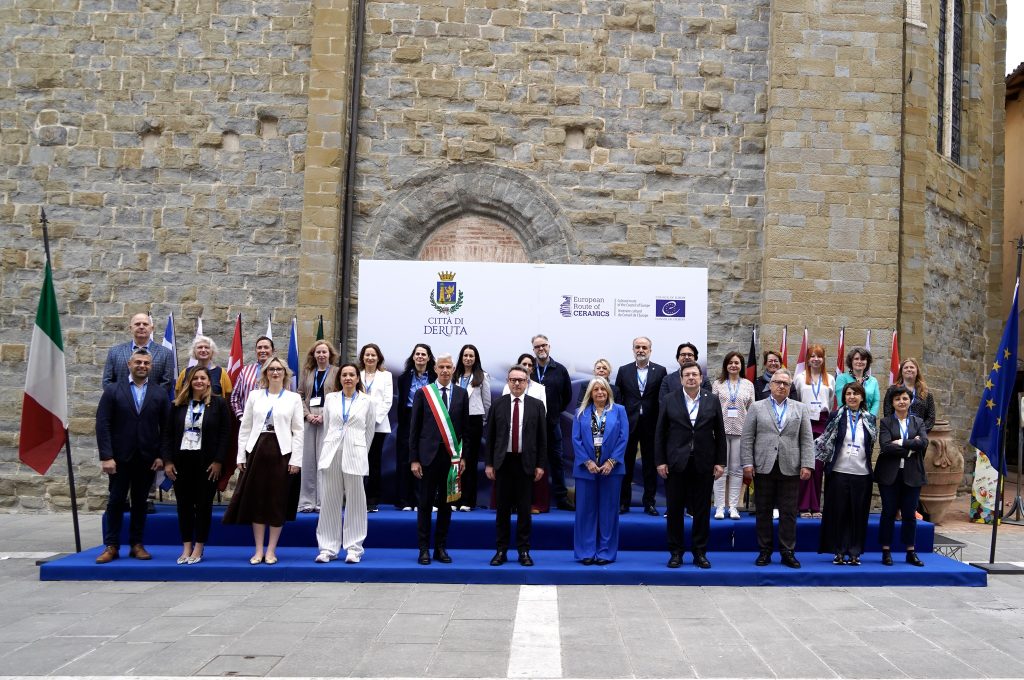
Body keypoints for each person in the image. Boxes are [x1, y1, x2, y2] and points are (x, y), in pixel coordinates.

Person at [223, 356, 303, 565]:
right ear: (265, 374)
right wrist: (241, 455)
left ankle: (271, 550)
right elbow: (246, 427)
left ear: (285, 374)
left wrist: (296, 460)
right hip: (257, 450)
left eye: (279, 370)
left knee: (276, 501)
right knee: (257, 501)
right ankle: (258, 550)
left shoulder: (293, 398)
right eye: (271, 369)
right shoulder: (255, 396)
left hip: (282, 452)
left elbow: (298, 431)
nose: (275, 373)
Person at [95, 349, 171, 563]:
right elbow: (103, 424)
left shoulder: (158, 393)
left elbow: (166, 428)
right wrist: (106, 456)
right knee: (116, 501)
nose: (142, 366)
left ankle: (136, 544)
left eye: (146, 363)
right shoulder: (113, 390)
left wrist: (161, 456)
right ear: (129, 364)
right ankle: (111, 546)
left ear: (151, 367)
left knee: (140, 502)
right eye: (138, 362)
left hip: (147, 459)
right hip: (119, 459)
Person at [740, 368, 814, 568]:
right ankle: (764, 551)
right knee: (762, 511)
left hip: (790, 466)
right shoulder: (756, 407)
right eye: (778, 382)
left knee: (789, 512)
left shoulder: (800, 408)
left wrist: (807, 464)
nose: (782, 386)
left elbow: (807, 439)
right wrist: (747, 463)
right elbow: (747, 438)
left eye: (786, 383)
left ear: (790, 387)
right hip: (763, 465)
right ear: (770, 385)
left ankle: (787, 551)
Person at [656, 362, 726, 569]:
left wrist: (720, 462)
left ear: (701, 378)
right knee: (675, 509)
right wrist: (660, 461)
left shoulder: (712, 400)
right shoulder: (670, 400)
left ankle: (700, 553)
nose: (691, 378)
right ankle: (676, 552)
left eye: (695, 374)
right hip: (677, 462)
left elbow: (720, 434)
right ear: (681, 379)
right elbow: (660, 433)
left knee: (702, 511)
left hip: (703, 462)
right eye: (687, 375)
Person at [163, 365, 230, 564]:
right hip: (181, 462)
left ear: (209, 381)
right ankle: (186, 546)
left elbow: (225, 435)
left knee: (203, 506)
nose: (199, 381)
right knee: (183, 506)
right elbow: (167, 435)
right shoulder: (177, 405)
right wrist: (167, 461)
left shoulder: (218, 404)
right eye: (195, 379)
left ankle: (199, 546)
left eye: (202, 378)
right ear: (189, 382)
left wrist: (218, 461)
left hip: (207, 464)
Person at [485, 365, 547, 566]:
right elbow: (491, 437)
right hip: (503, 463)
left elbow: (542, 439)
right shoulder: (498, 404)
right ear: (508, 381)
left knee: (524, 511)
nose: (517, 383)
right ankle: (501, 551)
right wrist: (489, 464)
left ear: (527, 382)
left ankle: (524, 551)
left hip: (526, 464)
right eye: (513, 380)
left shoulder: (537, 405)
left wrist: (540, 465)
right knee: (502, 511)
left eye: (521, 380)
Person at [410, 352, 468, 565]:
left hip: (452, 459)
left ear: (454, 370)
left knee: (446, 505)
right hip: (427, 458)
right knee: (425, 505)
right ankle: (423, 549)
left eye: (448, 367)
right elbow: (414, 429)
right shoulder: (424, 393)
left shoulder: (462, 394)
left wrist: (463, 457)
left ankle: (440, 548)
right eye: (441, 367)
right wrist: (414, 459)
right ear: (435, 369)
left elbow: (465, 429)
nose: (445, 370)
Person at [315, 363, 376, 563]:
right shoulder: (331, 399)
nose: (348, 378)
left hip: (355, 454)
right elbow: (327, 428)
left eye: (352, 375)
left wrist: (360, 451)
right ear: (339, 378)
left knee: (357, 501)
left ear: (358, 379)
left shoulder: (367, 401)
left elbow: (369, 432)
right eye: (344, 375)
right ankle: (328, 548)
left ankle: (354, 548)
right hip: (332, 453)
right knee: (329, 500)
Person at [815, 382, 876, 566]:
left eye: (856, 394)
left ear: (862, 397)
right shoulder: (836, 416)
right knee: (838, 514)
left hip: (862, 473)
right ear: (844, 397)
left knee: (858, 515)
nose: (852, 397)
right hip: (839, 471)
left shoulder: (870, 419)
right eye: (848, 393)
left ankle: (855, 552)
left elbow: (871, 445)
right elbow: (826, 441)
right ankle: (839, 551)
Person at [572, 377, 627, 565]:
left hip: (612, 470)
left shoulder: (619, 411)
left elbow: (623, 438)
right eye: (595, 389)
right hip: (586, 470)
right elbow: (576, 440)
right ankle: (586, 551)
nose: (600, 392)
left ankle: (605, 552)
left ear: (608, 392)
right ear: (590, 393)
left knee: (608, 512)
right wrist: (587, 462)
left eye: (603, 389)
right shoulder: (580, 413)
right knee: (585, 512)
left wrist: (612, 461)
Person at [877, 385, 929, 567]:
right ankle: (886, 550)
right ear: (892, 402)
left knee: (909, 514)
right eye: (897, 399)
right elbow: (885, 446)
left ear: (910, 401)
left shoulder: (919, 422)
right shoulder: (885, 422)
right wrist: (910, 446)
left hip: (912, 474)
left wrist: (900, 442)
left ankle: (910, 551)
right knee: (888, 512)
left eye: (905, 398)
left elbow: (923, 443)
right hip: (889, 474)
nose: (901, 402)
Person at [614, 336, 667, 516]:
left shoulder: (660, 371)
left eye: (644, 347)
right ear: (633, 349)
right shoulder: (624, 370)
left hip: (651, 424)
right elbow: (618, 398)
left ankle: (649, 503)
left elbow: (662, 399)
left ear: (650, 350)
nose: (641, 350)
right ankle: (623, 503)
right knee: (626, 464)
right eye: (637, 347)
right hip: (629, 423)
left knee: (649, 466)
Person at [531, 334, 575, 511]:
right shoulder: (529, 369)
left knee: (557, 461)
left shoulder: (560, 370)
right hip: (530, 426)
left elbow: (567, 397)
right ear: (533, 349)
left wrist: (554, 412)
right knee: (531, 462)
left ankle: (562, 499)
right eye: (537, 347)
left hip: (552, 424)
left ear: (549, 346)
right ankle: (531, 499)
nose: (541, 349)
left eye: (544, 345)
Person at [710, 351, 755, 520]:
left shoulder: (748, 385)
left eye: (737, 363)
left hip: (741, 432)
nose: (733, 365)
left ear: (741, 366)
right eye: (730, 363)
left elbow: (752, 410)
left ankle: (734, 507)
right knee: (721, 470)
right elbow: (712, 408)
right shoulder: (718, 384)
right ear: (725, 365)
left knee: (736, 471)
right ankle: (720, 507)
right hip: (720, 432)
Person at [793, 344, 835, 518]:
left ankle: (815, 506)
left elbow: (831, 402)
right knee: (805, 465)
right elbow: (796, 399)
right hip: (805, 422)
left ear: (824, 359)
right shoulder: (800, 377)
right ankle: (803, 506)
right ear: (808, 359)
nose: (816, 359)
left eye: (819, 356)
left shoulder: (830, 379)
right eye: (812, 356)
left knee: (818, 467)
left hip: (822, 423)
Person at [297, 340, 340, 512]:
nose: (321, 355)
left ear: (330, 354)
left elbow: (338, 396)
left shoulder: (337, 372)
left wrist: (324, 415)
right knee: (308, 460)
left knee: (325, 460)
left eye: (324, 352)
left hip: (328, 417)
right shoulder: (307, 372)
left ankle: (324, 502)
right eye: (318, 352)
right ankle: (307, 502)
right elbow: (299, 394)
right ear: (313, 355)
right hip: (308, 416)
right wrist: (307, 414)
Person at [394, 343, 436, 510]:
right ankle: (404, 501)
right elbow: (401, 403)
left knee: (424, 460)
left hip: (428, 421)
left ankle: (421, 501)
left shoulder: (434, 377)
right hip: (407, 420)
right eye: (417, 354)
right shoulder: (404, 378)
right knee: (405, 460)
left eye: (423, 354)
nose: (420, 357)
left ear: (428, 358)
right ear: (413, 357)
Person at [102, 312, 176, 394]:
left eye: (145, 324)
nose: (141, 327)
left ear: (152, 328)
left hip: (152, 404)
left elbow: (167, 382)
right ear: (130, 328)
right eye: (137, 324)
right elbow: (107, 381)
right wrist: (119, 399)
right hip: (120, 404)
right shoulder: (115, 352)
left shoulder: (166, 353)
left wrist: (151, 401)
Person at [359, 343, 393, 512]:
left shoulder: (386, 376)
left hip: (378, 426)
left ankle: (372, 500)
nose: (370, 358)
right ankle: (356, 498)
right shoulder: (357, 374)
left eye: (373, 355)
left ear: (378, 357)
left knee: (374, 462)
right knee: (357, 462)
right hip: (358, 425)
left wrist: (374, 419)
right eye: (367, 355)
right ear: (362, 358)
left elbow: (388, 401)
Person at [457, 344, 491, 511]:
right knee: (455, 461)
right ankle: (453, 499)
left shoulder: (482, 376)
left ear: (475, 358)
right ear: (461, 357)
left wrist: (482, 422)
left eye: (471, 355)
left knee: (469, 461)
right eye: (465, 355)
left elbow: (487, 403)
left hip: (474, 422)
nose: (468, 358)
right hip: (455, 422)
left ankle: (467, 500)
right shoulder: (454, 375)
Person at [883, 358, 936, 432]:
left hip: (918, 435)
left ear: (917, 371)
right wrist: (896, 430)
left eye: (912, 367)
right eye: (906, 367)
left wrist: (921, 432)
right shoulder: (892, 390)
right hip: (898, 432)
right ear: (901, 371)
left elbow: (931, 417)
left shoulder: (926, 393)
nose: (909, 369)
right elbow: (888, 412)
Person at [229, 336, 275, 420]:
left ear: (273, 351)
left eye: (266, 347)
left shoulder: (280, 372)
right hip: (248, 422)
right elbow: (234, 397)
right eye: (259, 348)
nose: (262, 350)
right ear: (256, 351)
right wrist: (240, 416)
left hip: (272, 424)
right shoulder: (245, 371)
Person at [833, 347, 881, 417]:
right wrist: (853, 417)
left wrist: (870, 417)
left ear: (867, 362)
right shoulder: (842, 378)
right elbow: (841, 401)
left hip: (868, 419)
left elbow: (876, 402)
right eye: (856, 359)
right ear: (851, 361)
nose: (859, 361)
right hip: (847, 418)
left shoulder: (873, 381)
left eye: (863, 359)